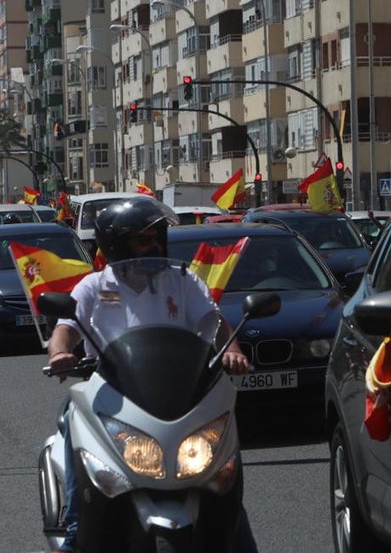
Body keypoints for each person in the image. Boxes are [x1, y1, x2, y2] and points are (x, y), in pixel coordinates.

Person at [46, 196, 257, 553]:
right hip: (112, 391)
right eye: (143, 239)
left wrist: (232, 351)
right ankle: (74, 529)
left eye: (157, 236)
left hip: (178, 391)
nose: (154, 245)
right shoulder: (94, 286)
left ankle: (235, 536)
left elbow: (214, 321)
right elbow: (65, 327)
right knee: (72, 415)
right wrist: (61, 353)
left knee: (220, 471)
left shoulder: (183, 280)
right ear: (116, 245)